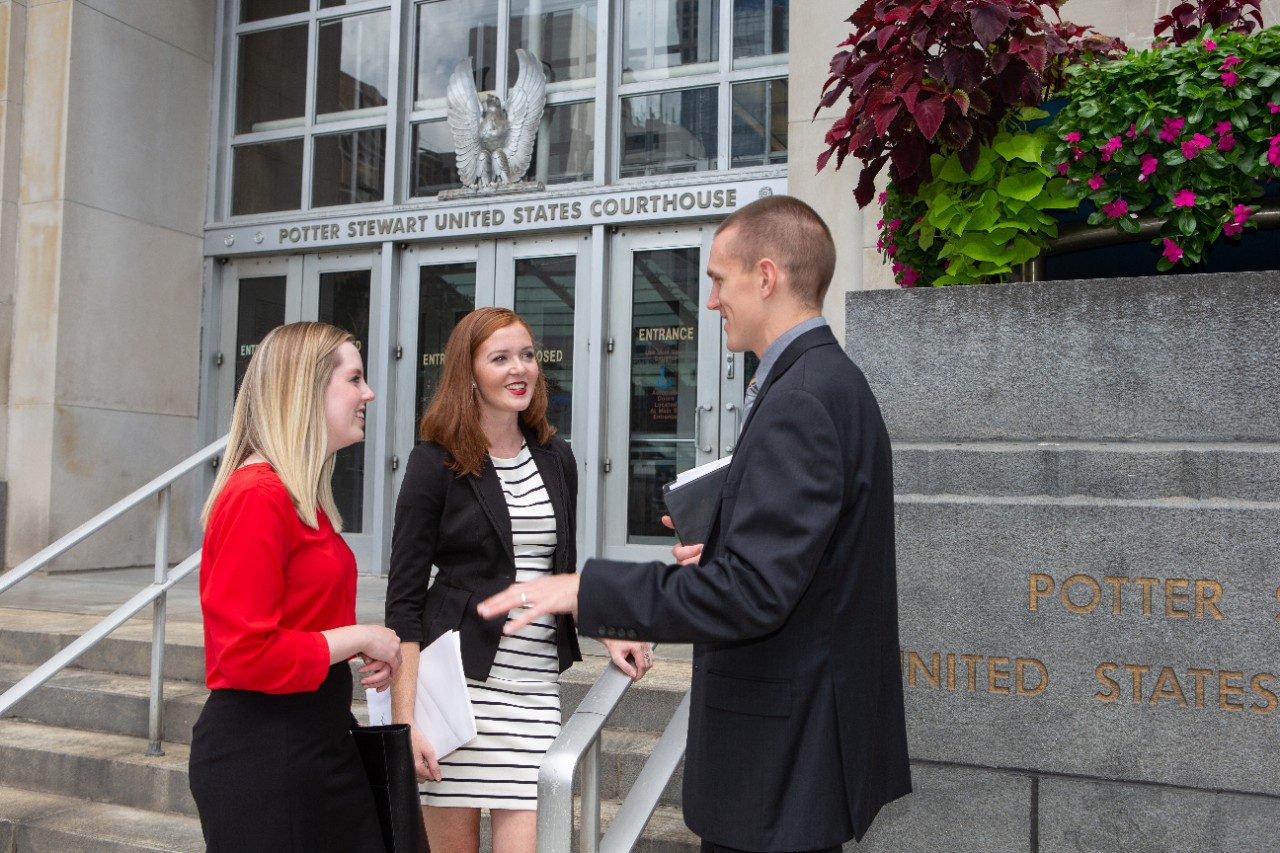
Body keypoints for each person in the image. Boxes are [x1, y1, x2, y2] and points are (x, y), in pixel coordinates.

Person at [479, 196, 912, 853]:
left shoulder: (802, 397)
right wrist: (726, 546)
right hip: (794, 759)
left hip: (782, 764)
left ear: (765, 277)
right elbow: (806, 565)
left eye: (717, 280)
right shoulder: (823, 381)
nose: (711, 301)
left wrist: (584, 590)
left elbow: (753, 594)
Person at [384, 307, 653, 853]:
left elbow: (560, 575)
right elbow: (404, 604)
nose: (520, 368)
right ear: (469, 371)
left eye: (527, 355)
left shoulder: (558, 459)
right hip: (457, 694)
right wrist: (404, 719)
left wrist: (609, 628)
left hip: (534, 695)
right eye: (500, 357)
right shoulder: (433, 463)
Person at [188, 321, 403, 852]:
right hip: (266, 755)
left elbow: (300, 626)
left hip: (315, 741)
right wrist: (358, 638)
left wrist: (351, 646)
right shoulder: (258, 496)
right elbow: (245, 653)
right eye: (354, 379)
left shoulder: (299, 497)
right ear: (308, 389)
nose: (368, 393)